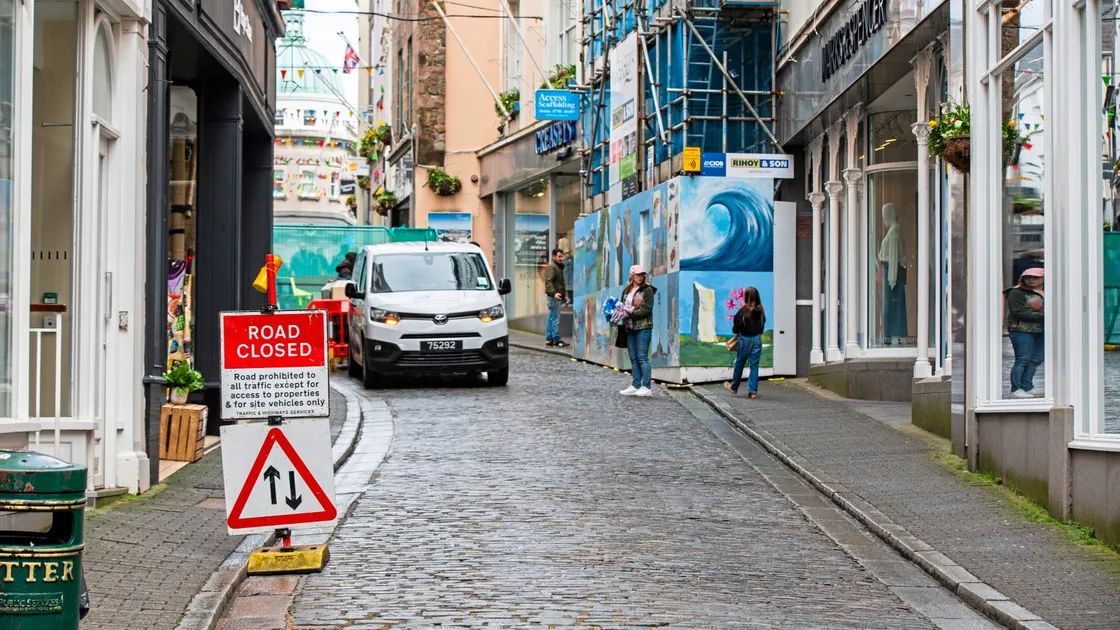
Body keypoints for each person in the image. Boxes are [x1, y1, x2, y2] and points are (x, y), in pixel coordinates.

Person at [1004, 267, 1045, 398]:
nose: (1031, 280)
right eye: (1028, 277)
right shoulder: (1016, 293)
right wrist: (1046, 315)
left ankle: (1027, 386)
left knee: (1036, 359)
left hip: (1041, 330)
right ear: (1022, 279)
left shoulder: (1048, 292)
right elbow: (1018, 312)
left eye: (1036, 277)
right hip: (1021, 330)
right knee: (1022, 359)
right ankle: (1016, 389)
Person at [619, 265, 657, 397]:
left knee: (642, 358)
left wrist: (629, 314)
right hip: (629, 328)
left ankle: (646, 386)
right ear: (632, 275)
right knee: (633, 358)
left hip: (643, 327)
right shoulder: (626, 290)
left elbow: (647, 309)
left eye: (642, 274)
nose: (640, 277)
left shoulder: (647, 290)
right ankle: (635, 384)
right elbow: (621, 305)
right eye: (637, 274)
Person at [724, 287, 766, 398]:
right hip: (757, 339)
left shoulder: (743, 311)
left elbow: (736, 328)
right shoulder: (760, 310)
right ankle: (753, 391)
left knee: (739, 363)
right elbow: (762, 327)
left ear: (746, 297)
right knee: (754, 365)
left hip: (744, 340)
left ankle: (734, 386)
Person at [544, 248, 568, 347]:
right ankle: (556, 339)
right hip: (553, 297)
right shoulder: (552, 267)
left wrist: (564, 295)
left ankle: (549, 339)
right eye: (559, 256)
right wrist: (554, 294)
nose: (561, 258)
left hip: (555, 296)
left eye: (562, 256)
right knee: (554, 318)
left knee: (551, 318)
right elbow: (548, 282)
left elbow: (559, 283)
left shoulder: (557, 267)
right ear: (554, 257)